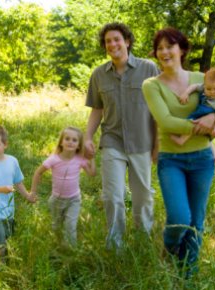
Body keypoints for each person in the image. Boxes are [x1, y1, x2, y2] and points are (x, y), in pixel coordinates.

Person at [142, 27, 215, 277]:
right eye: (160, 47)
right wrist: (206, 125)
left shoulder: (201, 77)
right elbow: (165, 121)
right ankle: (169, 248)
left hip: (203, 160)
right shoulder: (151, 85)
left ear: (182, 49)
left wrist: (210, 116)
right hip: (171, 159)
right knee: (179, 217)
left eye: (169, 46)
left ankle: (188, 275)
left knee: (196, 222)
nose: (164, 52)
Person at [84, 22, 160, 249]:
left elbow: (158, 110)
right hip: (112, 141)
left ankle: (143, 239)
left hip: (142, 142)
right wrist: (88, 136)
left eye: (116, 39)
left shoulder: (149, 69)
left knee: (142, 196)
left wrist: (158, 145)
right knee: (112, 196)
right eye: (108, 41)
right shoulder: (99, 74)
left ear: (127, 41)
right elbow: (97, 109)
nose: (112, 44)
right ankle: (115, 244)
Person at [0, 124, 36, 262]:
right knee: (0, 240)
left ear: (5, 145)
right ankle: (0, 266)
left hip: (8, 210)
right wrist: (2, 189)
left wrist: (27, 195)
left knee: (8, 237)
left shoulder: (12, 161)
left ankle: (6, 260)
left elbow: (18, 182)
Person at [30, 127, 96, 248]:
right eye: (67, 139)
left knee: (70, 225)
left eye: (74, 140)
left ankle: (71, 250)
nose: (70, 142)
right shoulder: (54, 159)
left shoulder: (80, 160)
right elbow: (38, 173)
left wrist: (92, 159)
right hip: (56, 199)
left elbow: (92, 174)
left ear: (78, 145)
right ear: (61, 142)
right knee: (56, 226)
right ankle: (58, 245)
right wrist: (33, 191)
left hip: (74, 199)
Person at [170, 67, 215, 161]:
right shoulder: (205, 87)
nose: (212, 92)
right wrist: (186, 93)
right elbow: (195, 86)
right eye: (208, 89)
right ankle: (213, 156)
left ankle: (181, 140)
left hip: (210, 114)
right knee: (207, 140)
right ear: (205, 86)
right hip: (205, 112)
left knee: (191, 123)